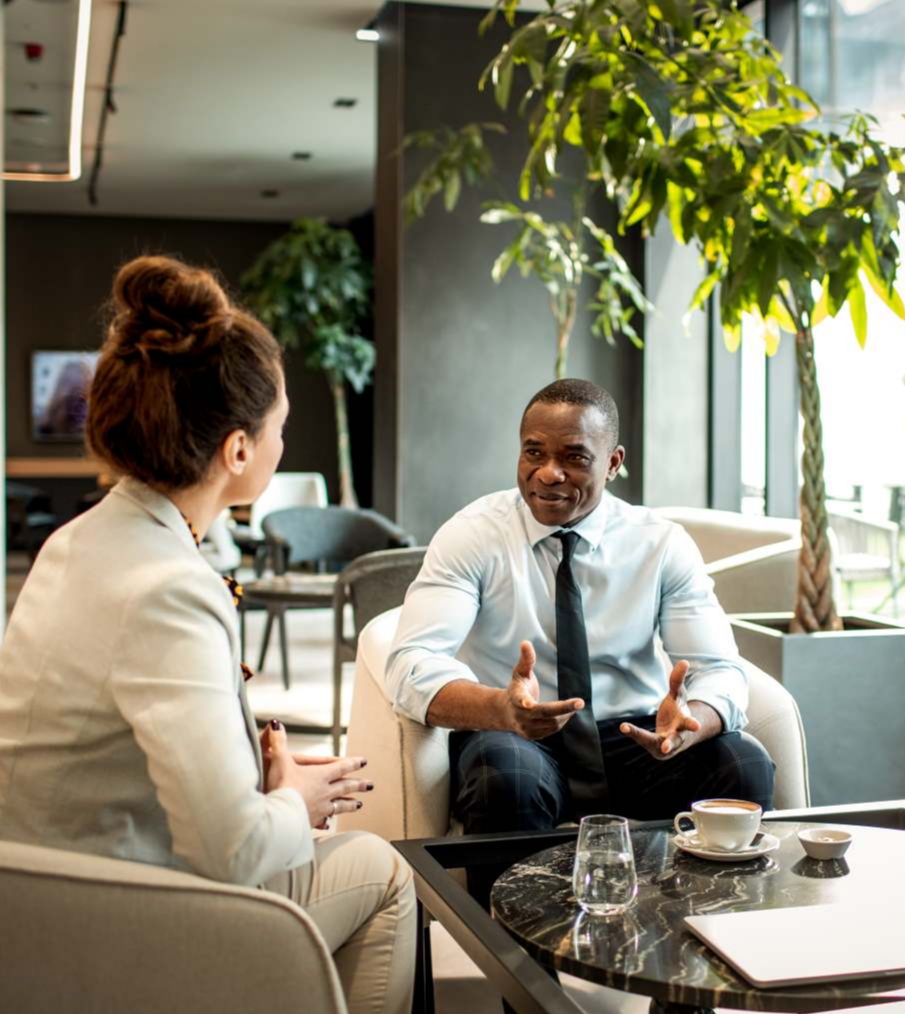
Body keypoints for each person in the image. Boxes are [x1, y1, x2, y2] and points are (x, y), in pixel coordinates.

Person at [0, 255, 415, 1014]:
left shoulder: (81, 540)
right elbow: (234, 853)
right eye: (280, 428)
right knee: (382, 873)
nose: (283, 443)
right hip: (101, 915)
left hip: (28, 886)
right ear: (237, 450)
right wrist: (293, 798)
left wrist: (255, 771)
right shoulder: (171, 587)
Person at [387, 379, 774, 875]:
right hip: (516, 732)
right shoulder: (472, 534)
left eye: (574, 457)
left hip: (637, 737)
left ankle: (707, 930)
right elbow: (410, 663)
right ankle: (513, 947)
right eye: (533, 453)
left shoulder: (660, 544)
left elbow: (719, 668)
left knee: (742, 764)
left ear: (613, 463)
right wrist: (500, 709)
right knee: (504, 775)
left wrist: (690, 721)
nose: (548, 474)